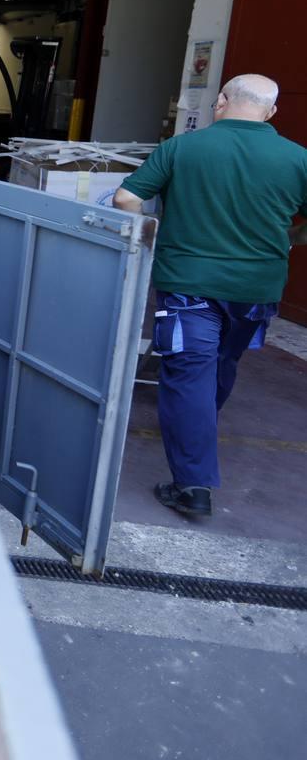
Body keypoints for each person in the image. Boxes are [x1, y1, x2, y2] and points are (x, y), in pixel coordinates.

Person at [113, 73, 307, 517]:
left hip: (188, 284)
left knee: (188, 374)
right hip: (255, 290)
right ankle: (196, 436)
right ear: (271, 112)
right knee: (222, 362)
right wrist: (292, 235)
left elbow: (125, 199)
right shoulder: (297, 158)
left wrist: (154, 232)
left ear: (221, 101)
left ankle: (193, 486)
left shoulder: (183, 147)